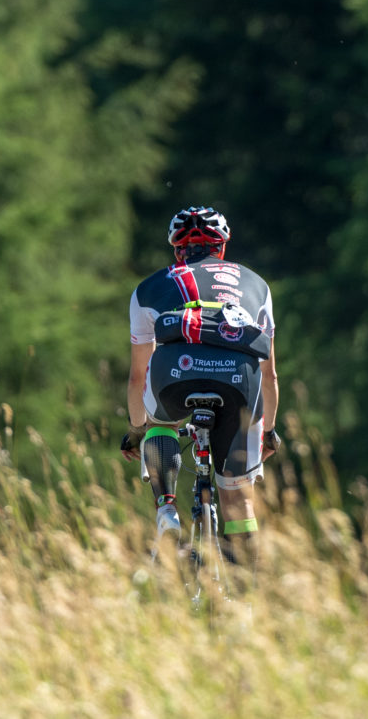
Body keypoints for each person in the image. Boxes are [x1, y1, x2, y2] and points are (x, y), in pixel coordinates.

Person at [120, 205, 280, 565]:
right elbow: (269, 376)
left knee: (158, 424)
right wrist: (268, 432)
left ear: (177, 249)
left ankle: (167, 509)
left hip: (174, 375)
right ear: (221, 246)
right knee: (238, 496)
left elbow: (136, 376)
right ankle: (244, 602)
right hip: (241, 381)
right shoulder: (257, 285)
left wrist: (136, 431)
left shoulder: (149, 288)